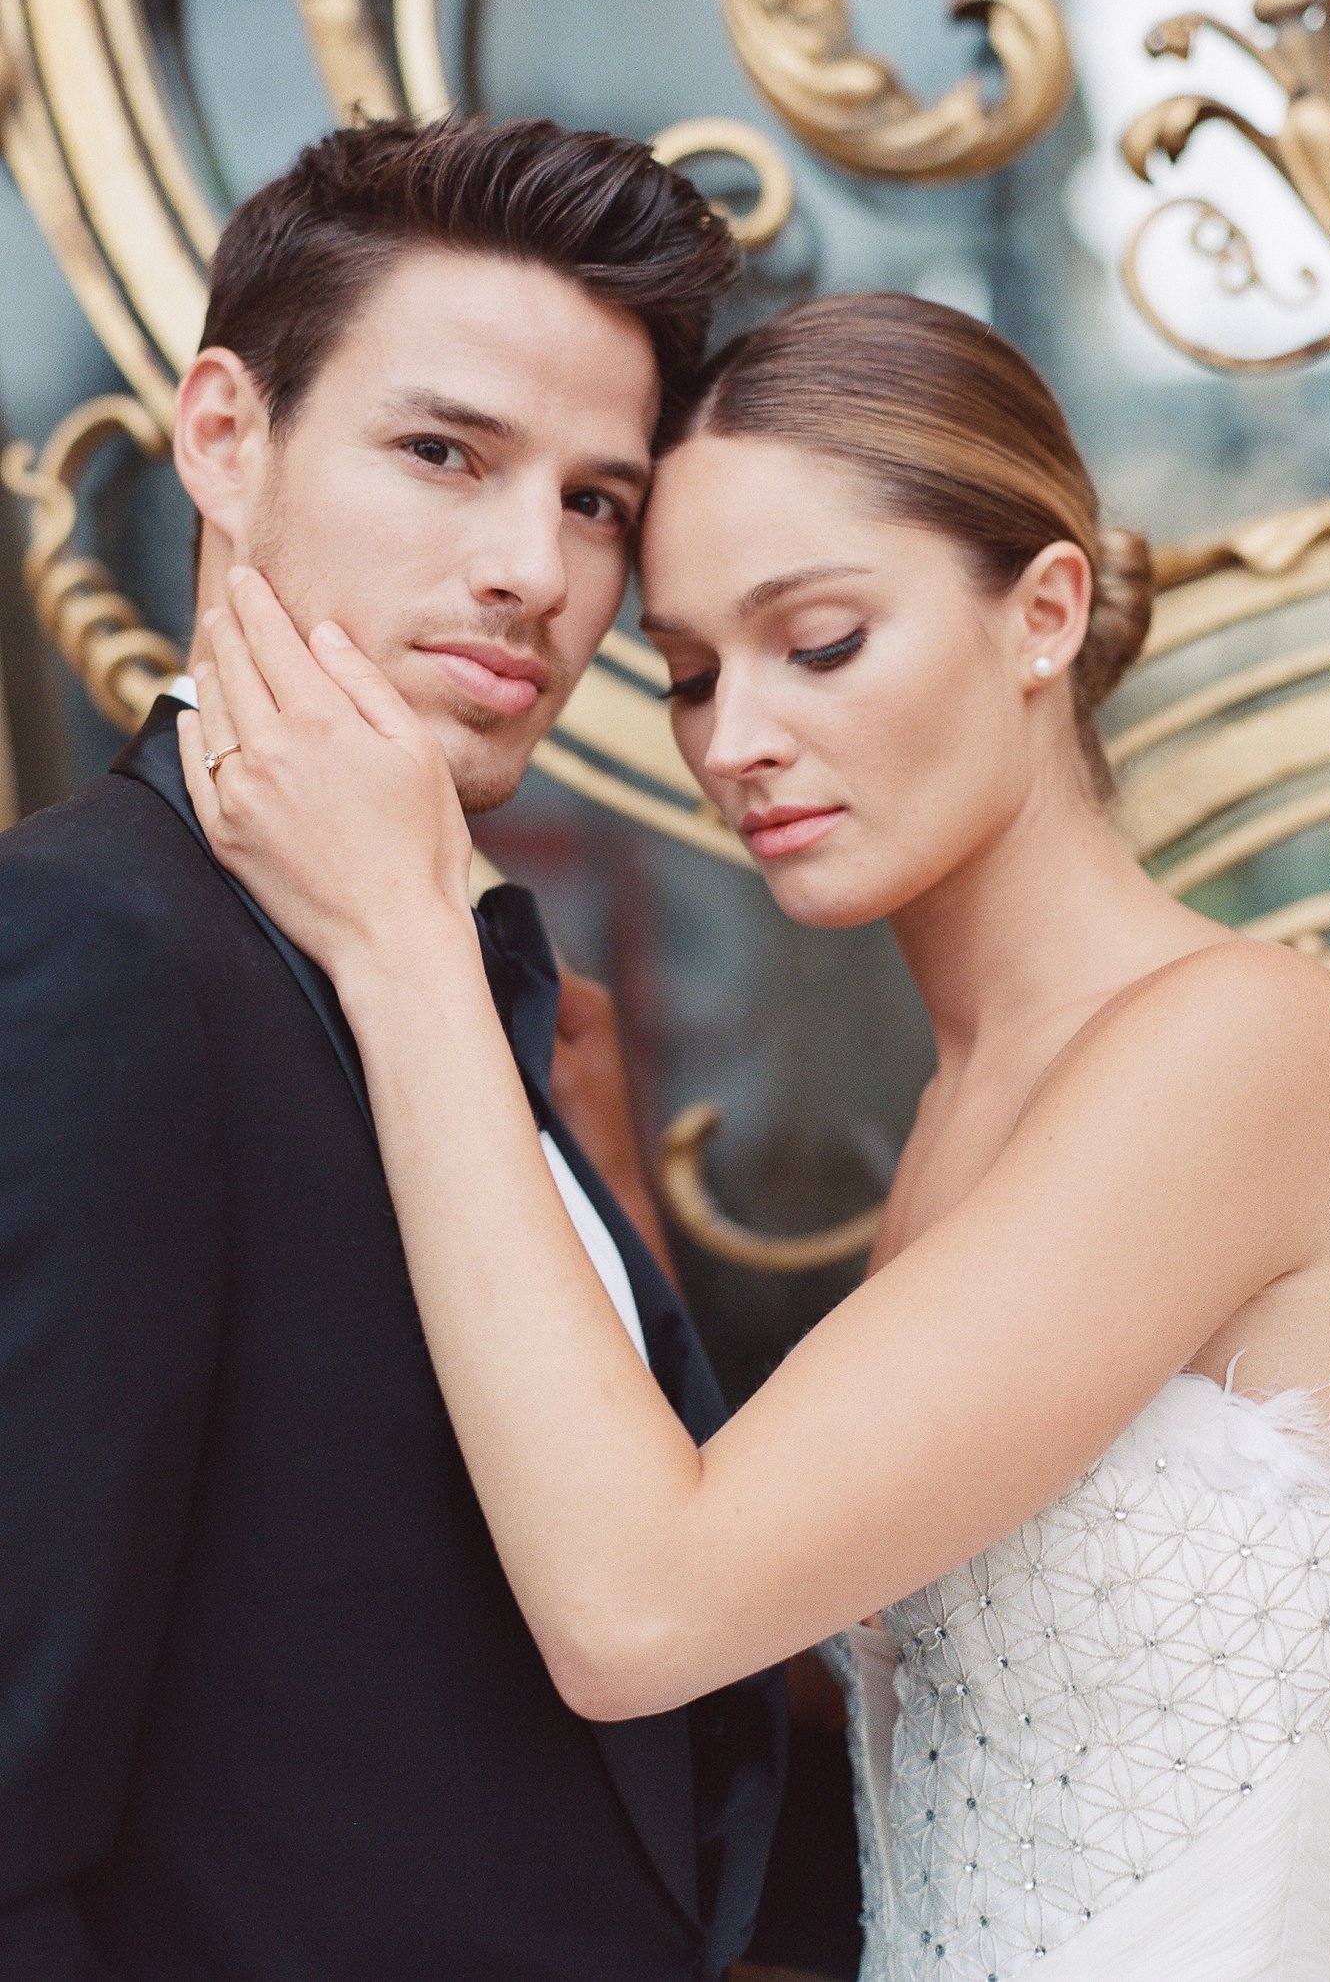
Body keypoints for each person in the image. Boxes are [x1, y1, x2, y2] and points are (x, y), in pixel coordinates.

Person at [184, 291, 1330, 1981]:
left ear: (1043, 612)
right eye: (693, 674)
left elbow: (642, 1610)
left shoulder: (1243, 1049)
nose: (736, 742)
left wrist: (398, 932)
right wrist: (610, 1221)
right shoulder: (963, 1120)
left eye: (824, 642)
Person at [0, 115, 785, 1982]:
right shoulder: (83, 952)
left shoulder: (450, 969)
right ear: (222, 435)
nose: (532, 571)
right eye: (443, 454)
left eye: (597, 501)